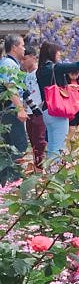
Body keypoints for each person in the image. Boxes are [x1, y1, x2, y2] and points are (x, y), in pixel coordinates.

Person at [0, 34, 30, 183]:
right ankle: (14, 182)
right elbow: (10, 87)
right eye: (22, 45)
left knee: (8, 148)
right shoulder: (9, 64)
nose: (24, 48)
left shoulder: (11, 63)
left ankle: (7, 183)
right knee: (18, 146)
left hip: (9, 111)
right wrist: (20, 109)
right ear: (14, 47)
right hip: (10, 111)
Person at [20, 45, 45, 171]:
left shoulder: (40, 73)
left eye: (24, 59)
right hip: (29, 112)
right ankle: (37, 168)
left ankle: (41, 169)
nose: (22, 62)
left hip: (39, 112)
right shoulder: (24, 76)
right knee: (34, 142)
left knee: (40, 142)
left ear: (33, 57)